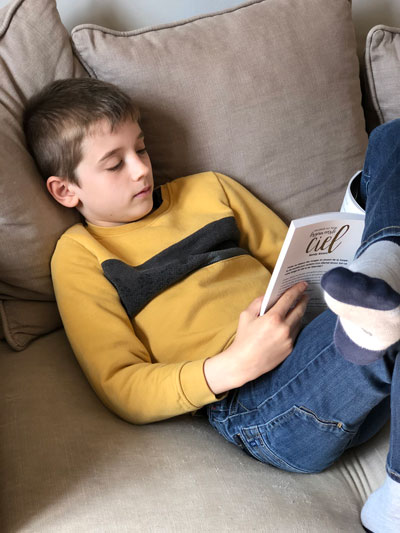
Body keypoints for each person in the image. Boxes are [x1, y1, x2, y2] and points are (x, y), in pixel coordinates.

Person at [23, 77, 400, 532]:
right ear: (66, 191)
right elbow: (121, 384)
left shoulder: (209, 190)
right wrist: (235, 363)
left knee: (391, 139)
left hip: (319, 331)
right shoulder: (80, 253)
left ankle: (380, 276)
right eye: (114, 164)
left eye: (140, 150)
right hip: (257, 405)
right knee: (374, 319)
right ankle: (374, 314)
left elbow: (297, 261)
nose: (141, 169)